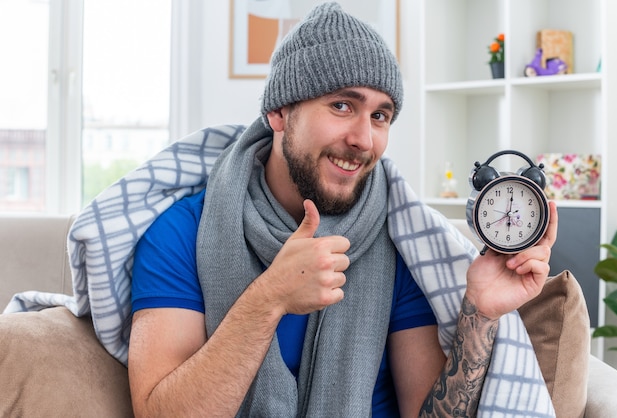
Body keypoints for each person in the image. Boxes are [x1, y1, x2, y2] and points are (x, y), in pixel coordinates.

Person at [127, 2, 558, 417]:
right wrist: (268, 299)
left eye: (380, 116)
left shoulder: (398, 240)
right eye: (342, 106)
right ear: (279, 112)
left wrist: (479, 314)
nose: (364, 139)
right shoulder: (183, 233)